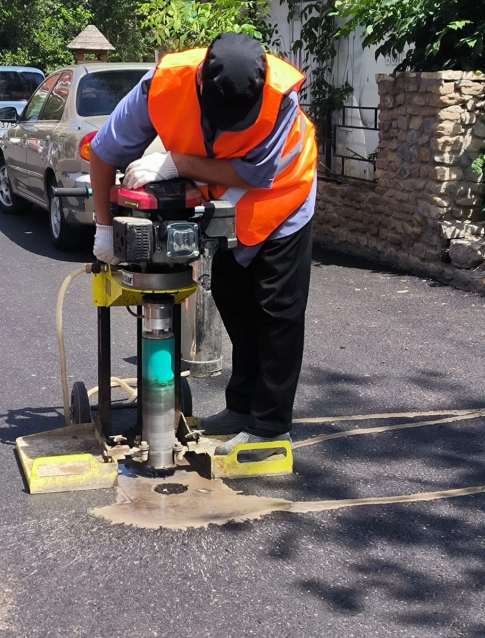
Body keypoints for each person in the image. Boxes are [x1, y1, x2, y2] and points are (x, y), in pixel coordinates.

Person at [89, 32, 317, 459]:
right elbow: (103, 151)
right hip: (227, 203)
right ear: (199, 85)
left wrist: (177, 163)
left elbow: (258, 174)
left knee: (277, 312)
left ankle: (269, 430)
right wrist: (104, 228)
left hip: (285, 197)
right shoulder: (163, 84)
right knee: (233, 298)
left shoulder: (279, 96)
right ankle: (241, 407)